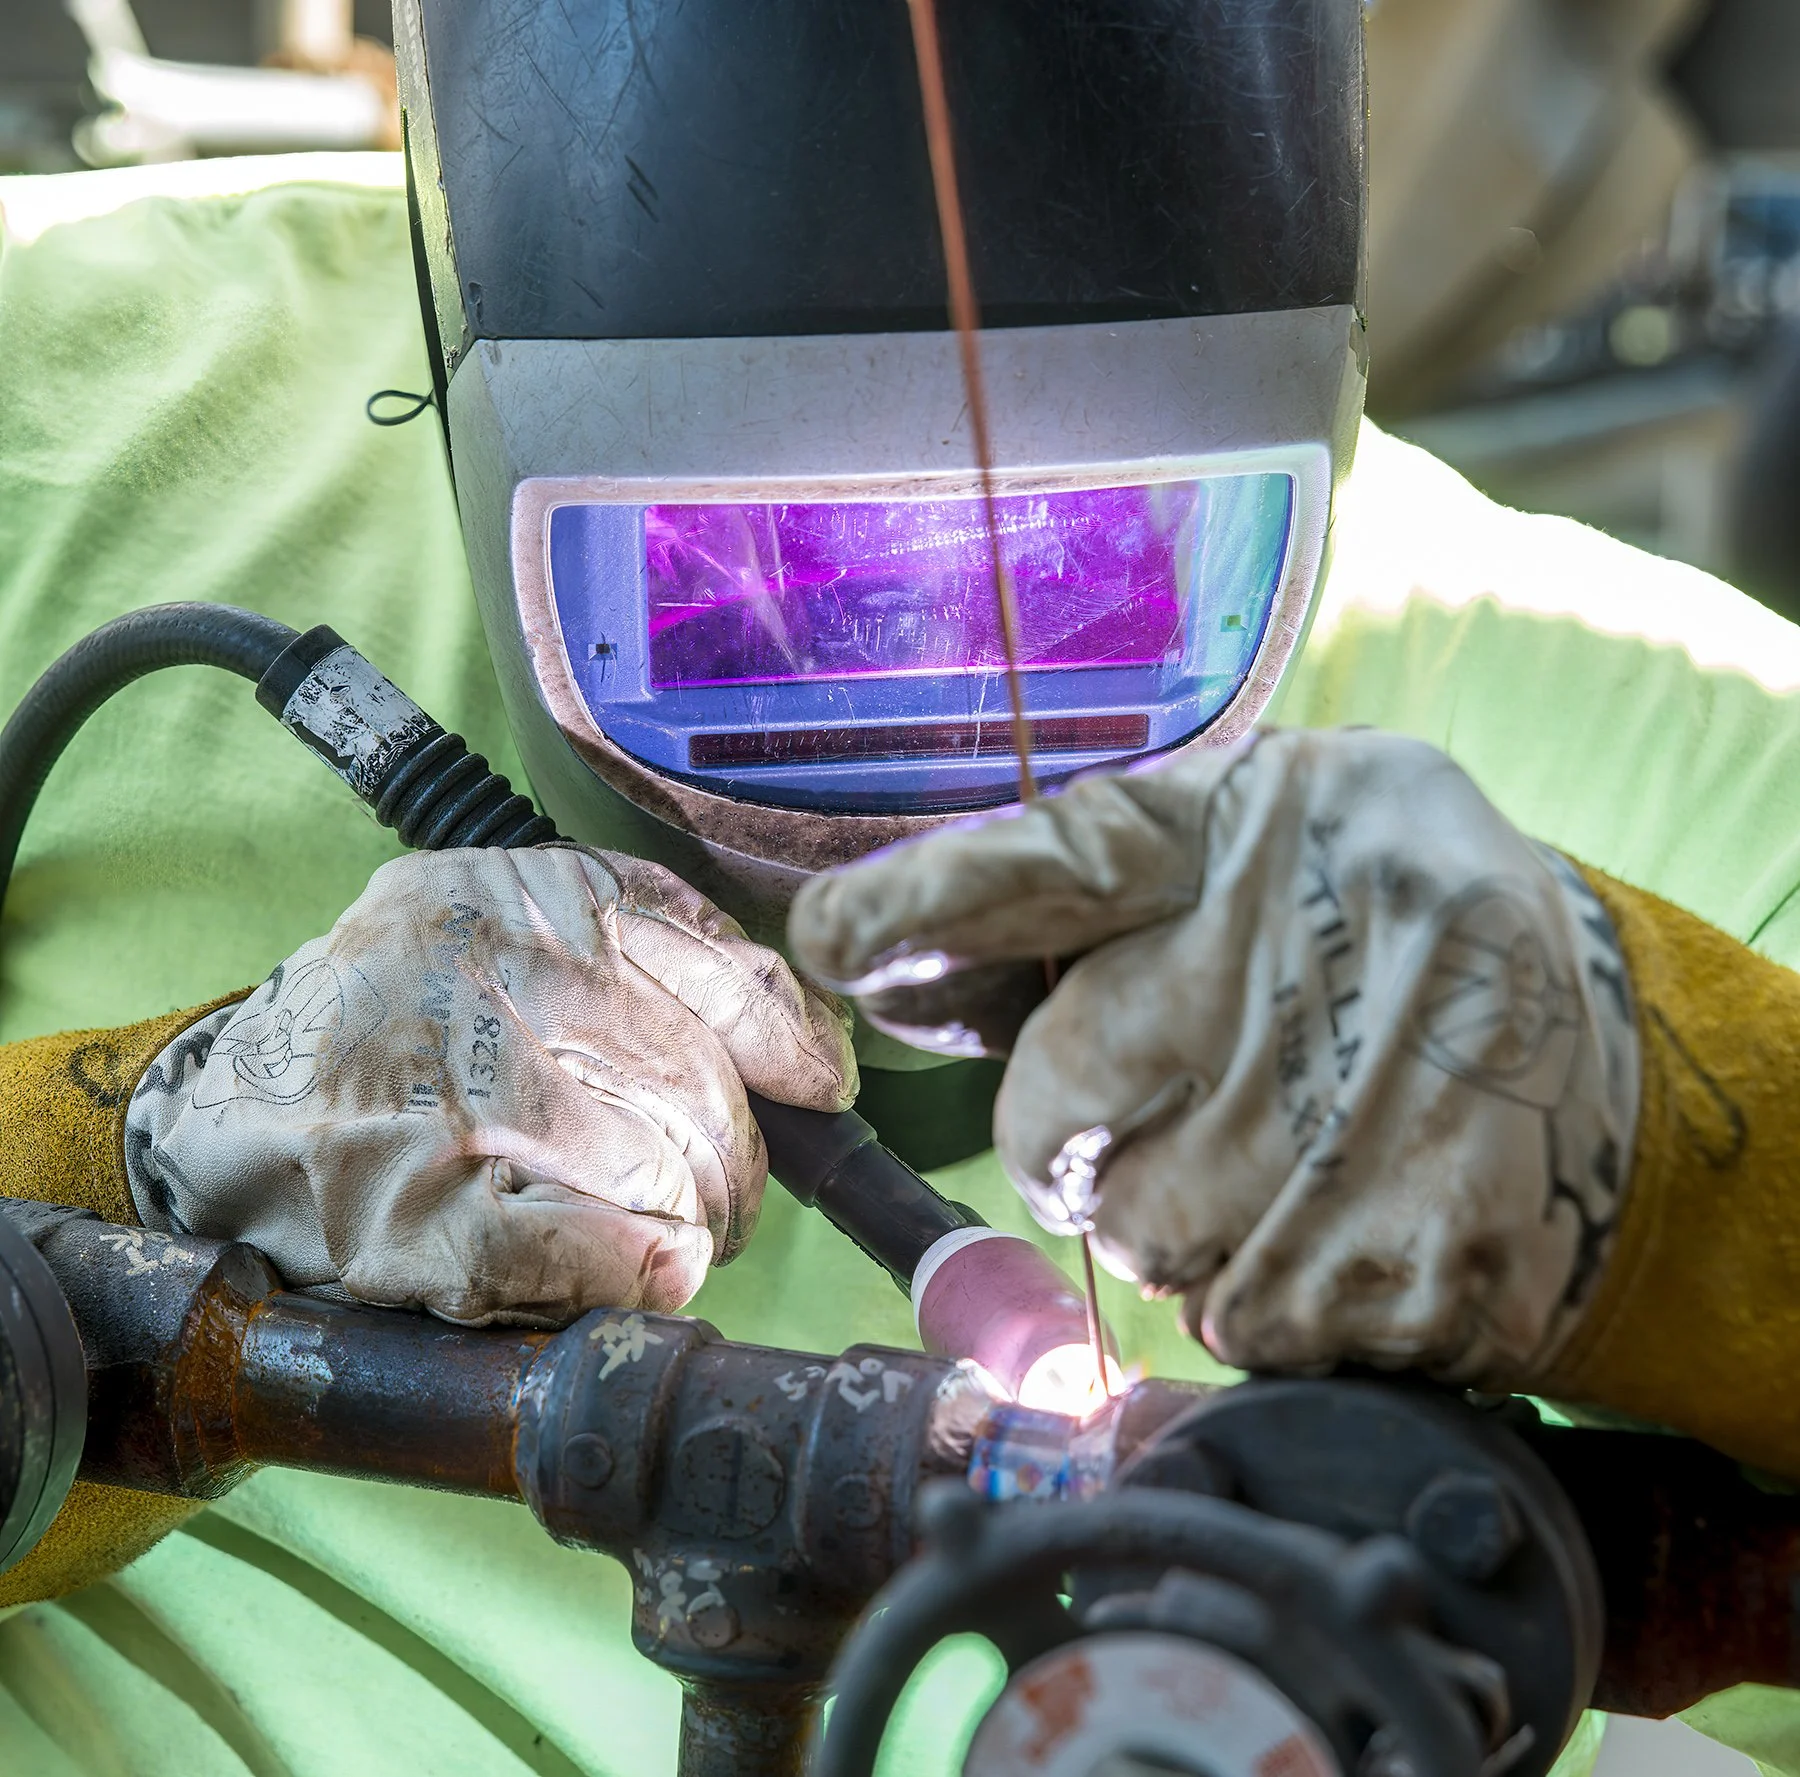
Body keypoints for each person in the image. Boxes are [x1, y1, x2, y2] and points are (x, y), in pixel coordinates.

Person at [4, 155, 1800, 1777]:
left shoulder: (1721, 783)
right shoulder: (60, 403)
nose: (938, 702)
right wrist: (138, 1157)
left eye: (1094, 578)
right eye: (733, 592)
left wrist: (1712, 1184)